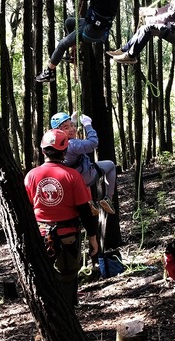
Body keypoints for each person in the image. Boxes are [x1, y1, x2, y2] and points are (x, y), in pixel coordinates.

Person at [24, 128, 99, 305]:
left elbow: (27, 209)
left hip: (40, 237)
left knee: (44, 280)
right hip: (68, 239)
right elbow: (84, 210)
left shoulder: (31, 176)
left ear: (42, 151)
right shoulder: (73, 176)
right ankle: (67, 316)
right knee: (67, 278)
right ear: (65, 152)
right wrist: (93, 237)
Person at [36, 0, 123, 82]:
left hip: (91, 30)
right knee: (69, 22)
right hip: (100, 28)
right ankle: (76, 54)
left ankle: (49, 72)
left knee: (62, 45)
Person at [50, 111, 117, 215]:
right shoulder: (72, 144)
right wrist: (87, 125)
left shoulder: (55, 145)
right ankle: (108, 198)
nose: (72, 129)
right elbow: (93, 143)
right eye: (66, 127)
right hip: (84, 176)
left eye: (72, 125)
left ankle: (88, 202)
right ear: (58, 131)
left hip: (71, 180)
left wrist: (73, 121)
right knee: (111, 165)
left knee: (82, 168)